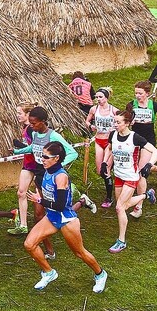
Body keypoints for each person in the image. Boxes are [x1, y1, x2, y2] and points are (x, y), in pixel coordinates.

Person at [23, 141, 108, 292]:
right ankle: (49, 273)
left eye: (45, 157)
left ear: (56, 158)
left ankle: (100, 274)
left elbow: (60, 206)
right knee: (29, 244)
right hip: (52, 217)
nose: (42, 159)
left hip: (66, 219)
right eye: (41, 155)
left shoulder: (61, 177)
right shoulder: (46, 171)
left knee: (79, 253)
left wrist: (39, 201)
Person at [13, 106, 94, 259]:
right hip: (40, 177)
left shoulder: (54, 136)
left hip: (52, 178)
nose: (31, 126)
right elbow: (34, 148)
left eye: (34, 123)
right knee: (39, 215)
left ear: (43, 121)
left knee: (59, 209)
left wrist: (56, 166)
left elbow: (72, 153)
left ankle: (82, 202)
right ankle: (50, 252)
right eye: (30, 123)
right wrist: (18, 151)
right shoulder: (35, 133)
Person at [105, 110, 157, 253]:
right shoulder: (113, 135)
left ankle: (121, 241)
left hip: (131, 176)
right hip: (118, 175)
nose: (115, 124)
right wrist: (105, 162)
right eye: (114, 122)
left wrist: (149, 165)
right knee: (124, 205)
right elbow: (109, 148)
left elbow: (155, 152)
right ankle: (146, 195)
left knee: (119, 208)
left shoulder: (135, 138)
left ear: (127, 123)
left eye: (118, 122)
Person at [8, 101, 38, 235]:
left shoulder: (32, 129)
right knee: (21, 193)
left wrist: (19, 148)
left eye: (19, 113)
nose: (17, 115)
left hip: (39, 164)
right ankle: (23, 225)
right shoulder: (25, 127)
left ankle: (79, 197)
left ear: (28, 114)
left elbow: (36, 147)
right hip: (28, 164)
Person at [85, 87, 119, 208]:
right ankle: (111, 174)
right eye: (96, 97)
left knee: (106, 170)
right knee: (100, 171)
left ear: (106, 98)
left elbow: (121, 122)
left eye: (100, 97)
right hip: (99, 140)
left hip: (110, 142)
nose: (98, 99)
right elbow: (87, 121)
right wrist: (91, 126)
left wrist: (116, 130)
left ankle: (109, 198)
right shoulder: (94, 109)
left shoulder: (114, 110)